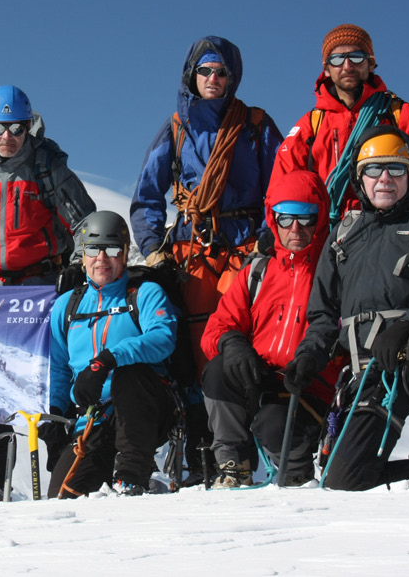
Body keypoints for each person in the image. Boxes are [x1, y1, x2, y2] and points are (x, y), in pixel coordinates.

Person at [285, 127, 409, 490]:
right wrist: (309, 357)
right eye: (374, 170)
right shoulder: (343, 235)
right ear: (360, 178)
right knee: (343, 481)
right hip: (372, 371)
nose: (385, 179)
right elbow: (324, 315)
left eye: (396, 168)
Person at [130, 35, 283, 482]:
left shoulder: (255, 125)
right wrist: (153, 248)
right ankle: (206, 456)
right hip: (194, 254)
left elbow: (282, 185)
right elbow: (147, 194)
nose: (213, 79)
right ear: (191, 76)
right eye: (205, 72)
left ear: (233, 78)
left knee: (245, 347)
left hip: (246, 253)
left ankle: (249, 454)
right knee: (198, 355)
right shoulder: (177, 128)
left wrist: (267, 239)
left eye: (221, 72)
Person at [0, 85, 96, 502]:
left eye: (16, 127)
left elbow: (87, 222)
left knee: (49, 387)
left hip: (40, 289)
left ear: (28, 127)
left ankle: (67, 483)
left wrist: (77, 271)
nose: (6, 136)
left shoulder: (48, 169)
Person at [200, 171, 342, 487]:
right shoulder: (257, 272)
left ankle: (296, 476)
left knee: (275, 425)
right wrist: (233, 343)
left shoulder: (334, 272)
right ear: (272, 218)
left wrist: (321, 364)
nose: (296, 228)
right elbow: (217, 328)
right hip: (259, 374)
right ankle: (233, 465)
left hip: (310, 383)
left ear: (320, 218)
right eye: (286, 218)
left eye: (306, 218)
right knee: (218, 370)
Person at [43, 211, 179, 497]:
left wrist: (106, 360)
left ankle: (134, 474)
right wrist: (55, 414)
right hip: (92, 421)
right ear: (82, 254)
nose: (102, 259)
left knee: (130, 372)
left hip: (147, 409)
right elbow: (58, 368)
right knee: (62, 499)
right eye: (93, 249)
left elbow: (163, 337)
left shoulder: (144, 293)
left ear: (125, 253)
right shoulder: (67, 305)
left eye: (113, 249)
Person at [271, 23, 409, 223]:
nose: (347, 66)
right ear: (326, 69)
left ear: (371, 64)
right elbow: (282, 185)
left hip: (390, 226)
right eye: (337, 59)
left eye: (356, 57)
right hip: (329, 230)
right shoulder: (311, 125)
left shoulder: (401, 115)